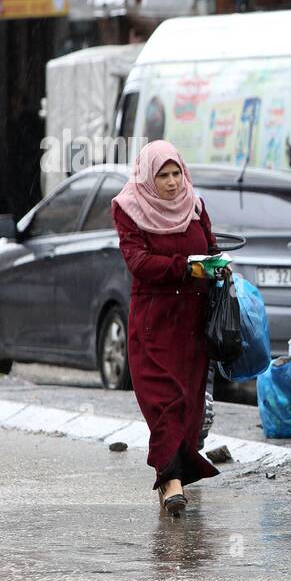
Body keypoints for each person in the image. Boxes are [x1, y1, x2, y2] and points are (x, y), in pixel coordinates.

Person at [111, 140, 228, 516]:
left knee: (189, 406)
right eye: (163, 175)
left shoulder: (194, 204)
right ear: (148, 176)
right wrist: (185, 267)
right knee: (165, 402)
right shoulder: (128, 208)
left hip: (192, 321)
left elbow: (209, 245)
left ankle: (169, 481)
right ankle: (173, 481)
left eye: (177, 173)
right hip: (153, 322)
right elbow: (139, 262)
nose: (173, 182)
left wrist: (216, 265)